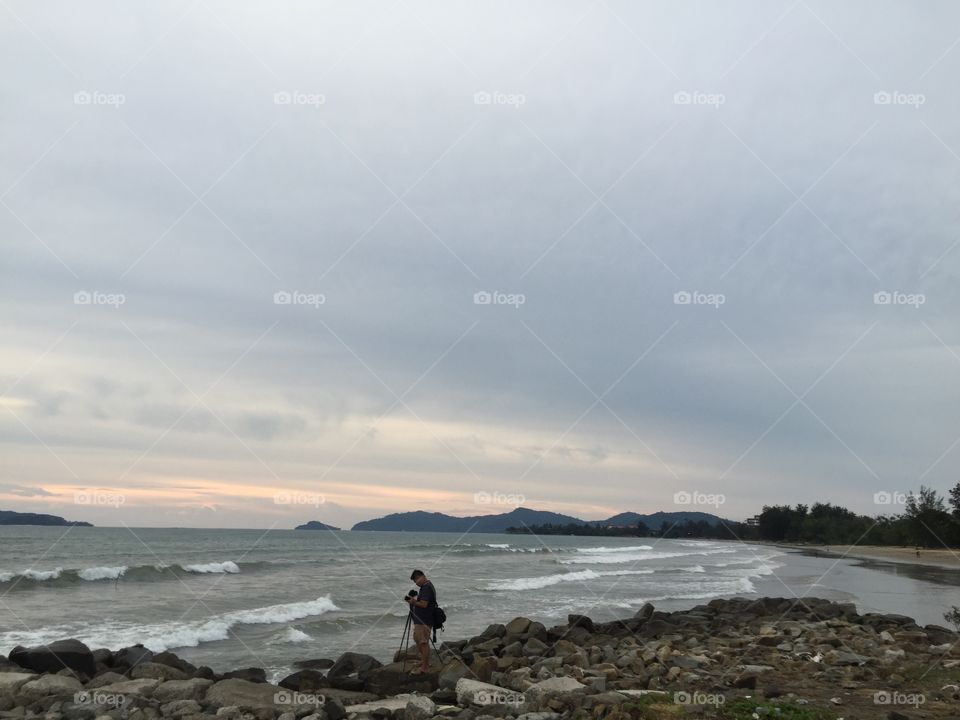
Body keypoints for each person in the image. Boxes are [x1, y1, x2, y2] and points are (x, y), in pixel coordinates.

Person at [404, 569, 436, 674]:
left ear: (421, 577)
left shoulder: (426, 587)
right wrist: (415, 599)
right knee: (418, 640)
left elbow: (424, 604)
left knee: (423, 643)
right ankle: (424, 662)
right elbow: (424, 602)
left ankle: (425, 667)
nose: (416, 583)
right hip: (421, 619)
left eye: (415, 580)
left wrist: (413, 601)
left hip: (424, 620)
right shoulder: (425, 586)